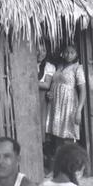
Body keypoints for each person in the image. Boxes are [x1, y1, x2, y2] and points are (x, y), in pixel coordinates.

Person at [45, 43, 86, 154]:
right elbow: (55, 83)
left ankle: (72, 162)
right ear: (63, 53)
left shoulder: (78, 68)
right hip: (56, 104)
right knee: (58, 135)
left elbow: (83, 90)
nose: (69, 55)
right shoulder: (59, 66)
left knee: (69, 135)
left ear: (76, 54)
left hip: (69, 104)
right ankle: (60, 164)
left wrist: (79, 111)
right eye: (67, 52)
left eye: (72, 52)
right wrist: (50, 92)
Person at [37, 41, 57, 170]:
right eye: (37, 50)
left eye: (43, 50)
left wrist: (27, 81)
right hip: (27, 99)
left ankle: (43, 164)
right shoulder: (27, 63)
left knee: (42, 128)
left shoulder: (49, 66)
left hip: (41, 99)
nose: (40, 53)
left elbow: (46, 85)